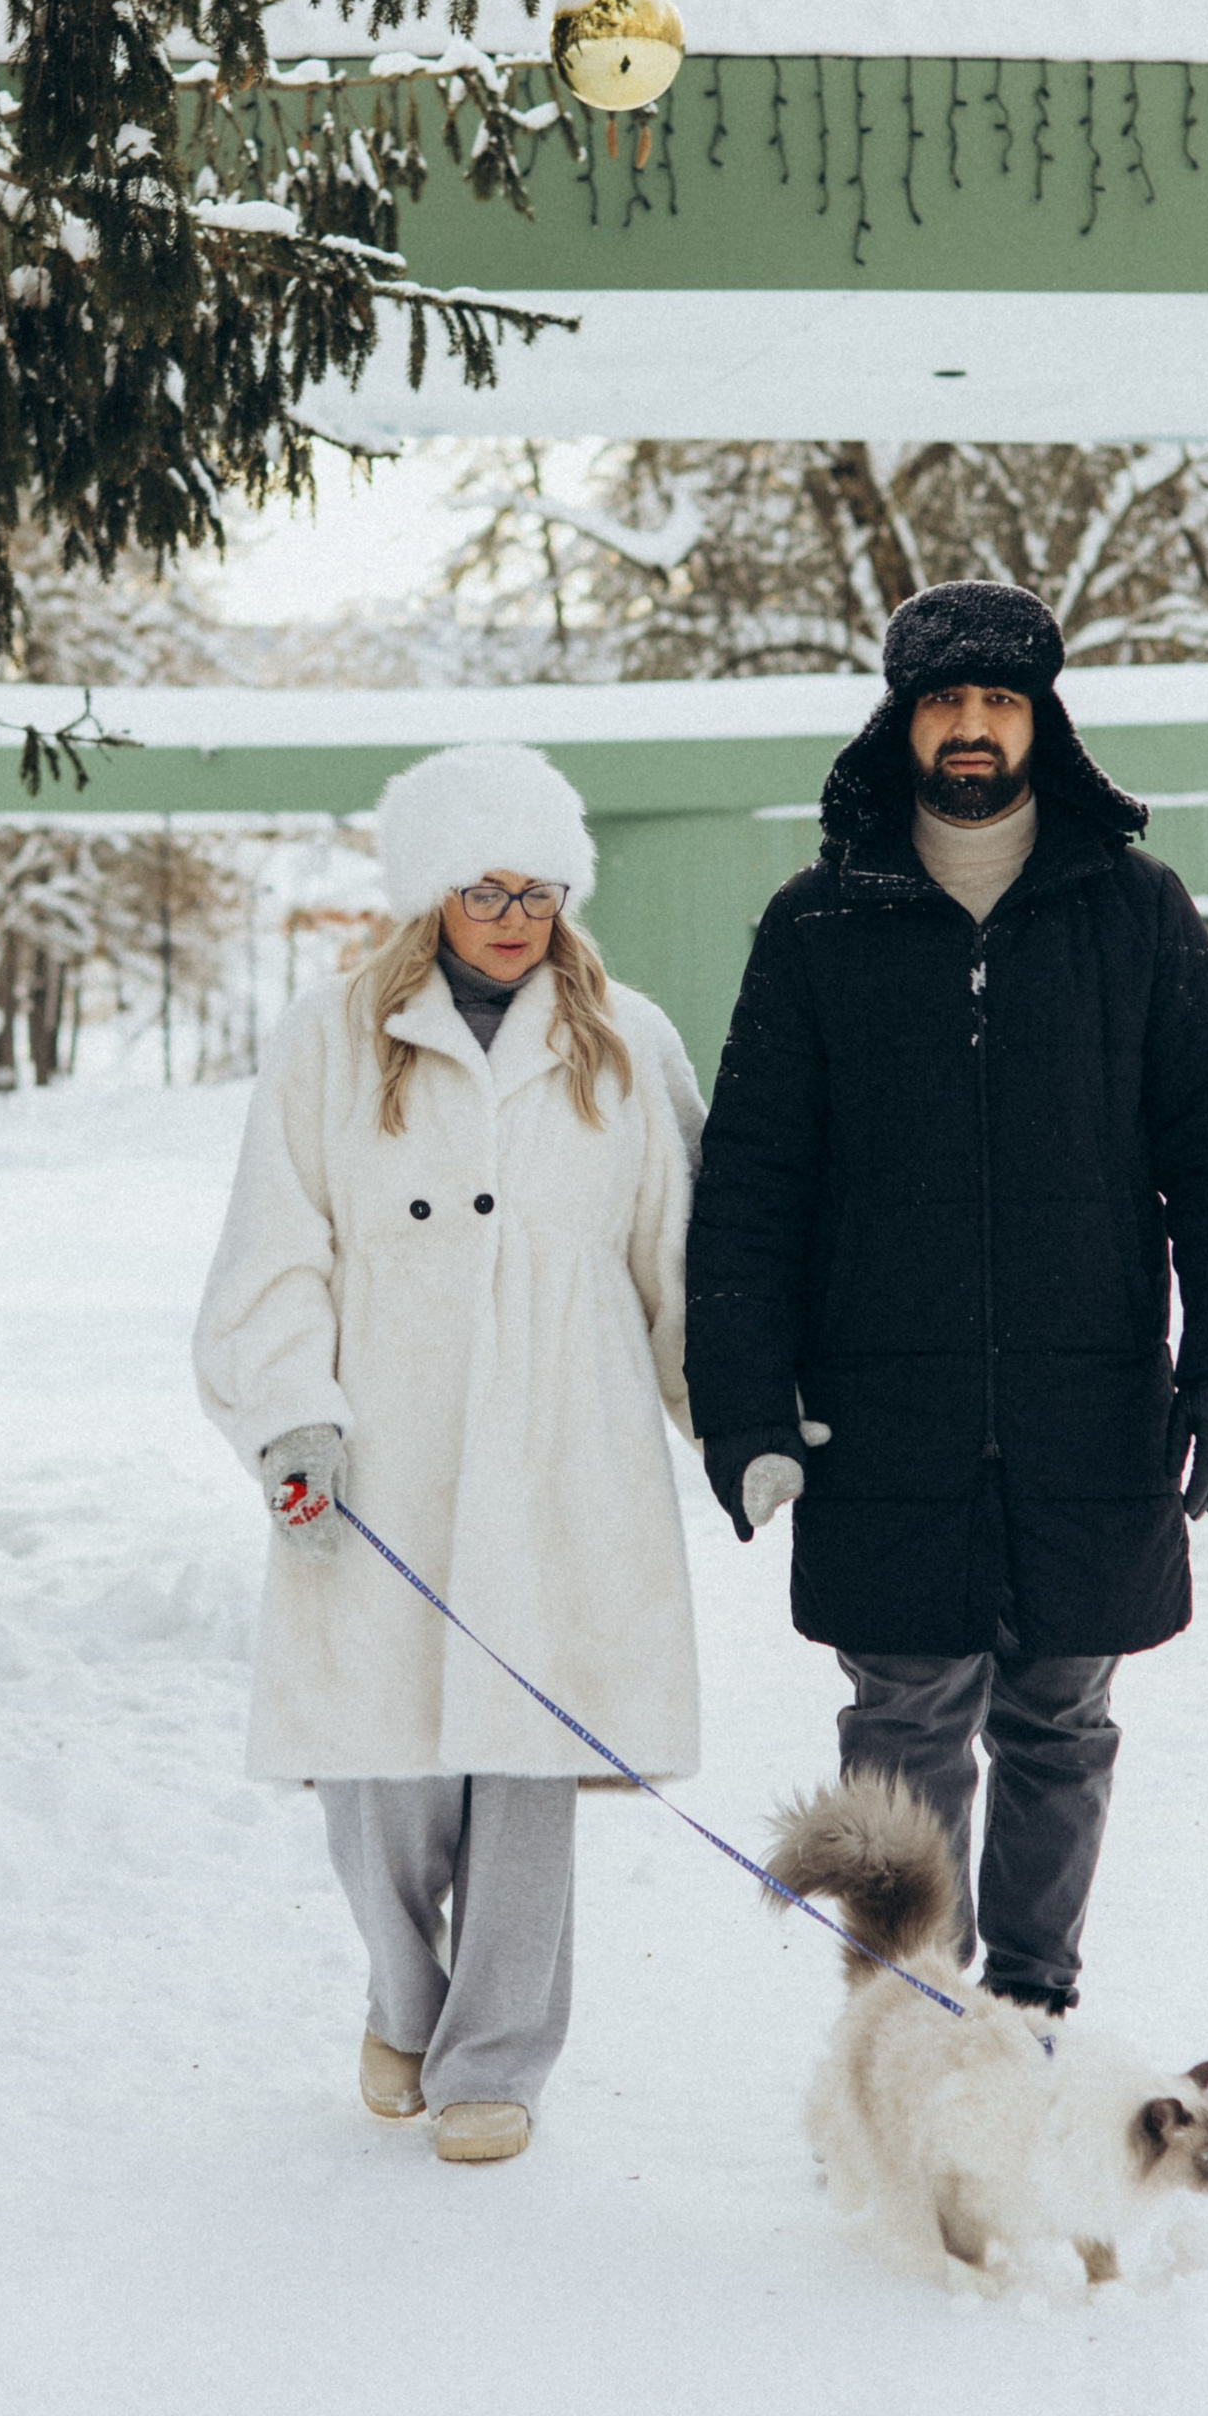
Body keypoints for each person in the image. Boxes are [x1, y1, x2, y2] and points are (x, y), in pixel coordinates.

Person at [684, 579, 1208, 2019]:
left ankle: (1027, 2011)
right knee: (901, 1725)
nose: (970, 727)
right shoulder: (817, 922)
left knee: (1063, 1721)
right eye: (944, 701)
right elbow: (752, 1184)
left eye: (997, 700)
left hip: (1090, 1404)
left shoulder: (1131, 910)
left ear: (1040, 719)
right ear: (902, 722)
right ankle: (909, 2020)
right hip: (886, 1411)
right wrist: (746, 1404)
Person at [194, 742, 705, 2165]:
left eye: (538, 890)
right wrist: (291, 1411)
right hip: (384, 1457)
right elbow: (272, 1254)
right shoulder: (327, 1042)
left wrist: (743, 1424)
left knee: (528, 1766)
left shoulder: (627, 1044)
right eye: (484, 887)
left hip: (566, 1458)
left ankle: (494, 2060)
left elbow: (686, 1265)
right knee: (381, 1771)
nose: (513, 915)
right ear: (429, 895)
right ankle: (405, 1999)